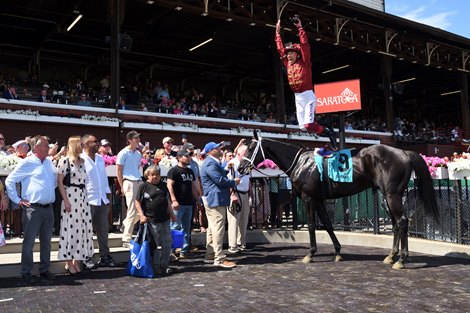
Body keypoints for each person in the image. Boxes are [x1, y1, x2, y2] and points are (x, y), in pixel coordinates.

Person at [275, 17, 337, 150]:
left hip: (308, 96)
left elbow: (305, 46)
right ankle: (322, 126)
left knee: (308, 125)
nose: (289, 56)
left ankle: (329, 133)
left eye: (291, 53)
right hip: (298, 98)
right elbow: (280, 50)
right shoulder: (287, 64)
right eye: (288, 54)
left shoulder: (305, 63)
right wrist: (277, 33)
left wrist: (300, 28)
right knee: (303, 127)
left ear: (297, 55)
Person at [5, 135, 57, 284]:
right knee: (29, 242)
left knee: (46, 242)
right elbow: (10, 180)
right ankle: (26, 272)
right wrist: (17, 200)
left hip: (48, 208)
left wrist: (46, 193)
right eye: (46, 145)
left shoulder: (48, 163)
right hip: (33, 209)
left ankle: (44, 270)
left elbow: (53, 181)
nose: (49, 148)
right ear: (37, 147)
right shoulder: (27, 162)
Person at [57, 136, 94, 275]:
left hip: (82, 198)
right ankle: (68, 261)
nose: (83, 145)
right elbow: (60, 182)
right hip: (70, 196)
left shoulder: (83, 161)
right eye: (80, 144)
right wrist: (66, 200)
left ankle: (77, 260)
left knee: (82, 229)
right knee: (69, 229)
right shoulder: (64, 161)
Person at [200, 141, 240, 268]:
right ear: (211, 151)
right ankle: (219, 258)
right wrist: (233, 182)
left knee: (212, 228)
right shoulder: (210, 163)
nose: (220, 148)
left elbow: (219, 174)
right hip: (215, 198)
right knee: (218, 228)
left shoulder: (211, 162)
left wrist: (226, 168)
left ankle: (210, 255)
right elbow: (219, 180)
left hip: (214, 198)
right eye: (217, 147)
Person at [81, 134, 116, 268]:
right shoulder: (81, 159)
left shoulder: (100, 159)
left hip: (101, 199)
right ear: (85, 144)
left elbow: (103, 178)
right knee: (86, 231)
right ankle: (87, 257)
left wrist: (107, 197)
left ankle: (105, 256)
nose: (97, 144)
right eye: (94, 142)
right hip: (88, 200)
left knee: (103, 230)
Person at [135, 165, 175, 275]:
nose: (155, 177)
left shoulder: (163, 185)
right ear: (148, 175)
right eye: (153, 175)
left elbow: (167, 201)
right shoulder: (144, 186)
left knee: (167, 243)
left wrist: (172, 214)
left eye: (157, 175)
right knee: (155, 244)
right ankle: (155, 266)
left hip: (165, 219)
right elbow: (137, 202)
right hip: (152, 220)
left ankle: (165, 265)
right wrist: (141, 215)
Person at [166, 148, 199, 259]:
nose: (189, 158)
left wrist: (198, 199)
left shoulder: (190, 171)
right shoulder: (174, 171)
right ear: (179, 157)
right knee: (175, 227)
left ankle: (184, 250)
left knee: (186, 227)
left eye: (190, 156)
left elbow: (194, 187)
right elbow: (169, 185)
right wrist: (174, 200)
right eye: (186, 156)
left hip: (189, 203)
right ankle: (171, 250)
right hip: (178, 204)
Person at [116, 130, 143, 247]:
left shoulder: (138, 154)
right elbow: (119, 171)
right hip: (128, 182)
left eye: (138, 138)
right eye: (136, 138)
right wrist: (122, 186)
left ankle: (126, 223)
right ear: (130, 140)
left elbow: (136, 168)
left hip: (138, 181)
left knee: (141, 209)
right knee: (132, 209)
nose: (138, 140)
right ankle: (126, 239)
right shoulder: (123, 153)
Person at [225, 142, 251, 253]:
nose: (248, 155)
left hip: (245, 193)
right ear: (240, 153)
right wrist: (232, 194)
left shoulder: (247, 164)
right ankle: (232, 245)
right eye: (246, 153)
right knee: (234, 220)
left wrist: (250, 195)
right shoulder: (232, 163)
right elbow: (229, 181)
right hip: (236, 193)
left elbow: (249, 180)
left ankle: (242, 242)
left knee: (244, 220)